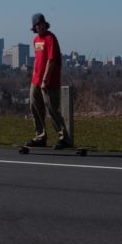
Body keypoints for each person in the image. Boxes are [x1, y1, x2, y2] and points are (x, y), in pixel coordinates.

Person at [26, 13, 71, 150]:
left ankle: (64, 138)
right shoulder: (36, 40)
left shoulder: (50, 38)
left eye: (42, 23)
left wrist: (45, 79)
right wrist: (34, 77)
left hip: (49, 82)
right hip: (36, 81)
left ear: (45, 24)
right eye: (38, 24)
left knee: (52, 110)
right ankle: (40, 136)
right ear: (34, 27)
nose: (41, 26)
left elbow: (51, 61)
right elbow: (38, 60)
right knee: (35, 108)